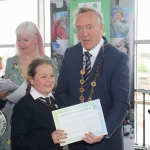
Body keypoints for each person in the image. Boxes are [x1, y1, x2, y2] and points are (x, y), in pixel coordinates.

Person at [56, 7, 130, 150]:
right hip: (77, 142)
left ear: (101, 28)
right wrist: (72, 122)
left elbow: (121, 103)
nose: (84, 34)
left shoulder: (118, 58)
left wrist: (103, 130)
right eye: (79, 28)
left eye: (89, 27)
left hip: (106, 143)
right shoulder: (70, 54)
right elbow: (61, 91)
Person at [0, 21, 59, 150]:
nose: (21, 44)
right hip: (13, 115)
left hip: (38, 116)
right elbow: (6, 86)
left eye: (25, 40)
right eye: (19, 39)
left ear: (36, 38)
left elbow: (55, 90)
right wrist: (3, 94)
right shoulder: (11, 61)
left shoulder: (49, 62)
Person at [11, 58, 67, 150]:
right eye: (43, 76)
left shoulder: (58, 100)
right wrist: (49, 139)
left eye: (52, 75)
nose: (49, 80)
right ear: (31, 79)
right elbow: (18, 142)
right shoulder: (24, 106)